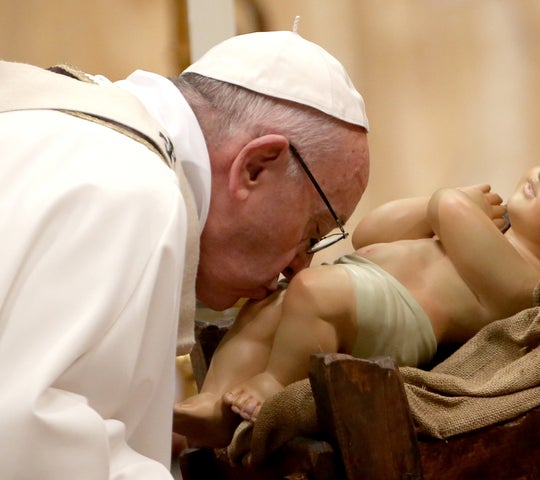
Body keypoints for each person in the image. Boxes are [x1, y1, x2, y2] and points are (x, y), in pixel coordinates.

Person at [0, 29, 369, 479]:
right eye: (313, 232)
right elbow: (30, 445)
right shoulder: (132, 189)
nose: (299, 267)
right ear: (255, 166)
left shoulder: (64, 131)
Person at [173, 140, 540, 447]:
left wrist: (450, 203)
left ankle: (272, 388)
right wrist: (430, 207)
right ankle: (214, 403)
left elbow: (449, 211)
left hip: (396, 319)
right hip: (356, 279)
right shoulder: (483, 227)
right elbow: (369, 234)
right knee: (262, 310)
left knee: (312, 291)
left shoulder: (524, 278)